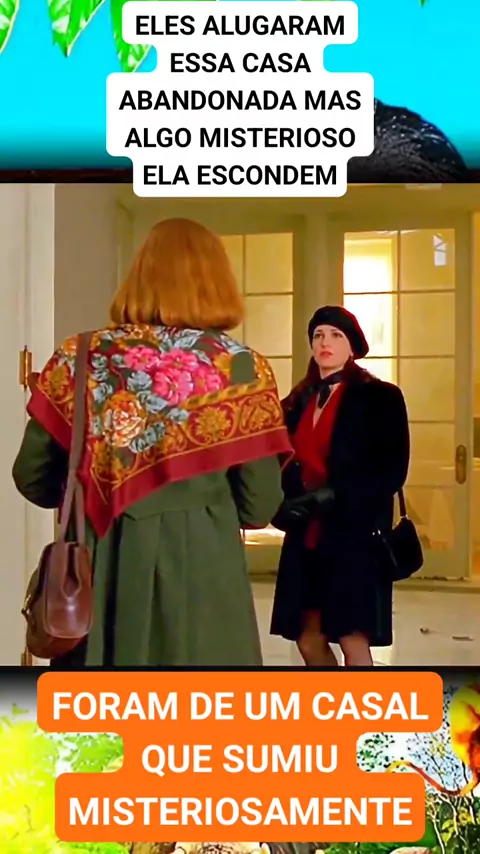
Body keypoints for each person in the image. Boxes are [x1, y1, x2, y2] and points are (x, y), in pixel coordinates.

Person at [13, 218, 291, 668]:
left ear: (138, 277)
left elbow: (31, 476)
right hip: (203, 569)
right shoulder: (242, 368)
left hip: (98, 565)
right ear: (218, 282)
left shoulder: (79, 357)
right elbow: (260, 504)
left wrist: (92, 489)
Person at [270, 305, 410, 667]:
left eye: (335, 335)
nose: (324, 342)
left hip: (354, 535)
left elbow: (392, 469)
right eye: (318, 335)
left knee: (352, 639)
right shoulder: (297, 401)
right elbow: (277, 460)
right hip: (306, 534)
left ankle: (362, 704)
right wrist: (283, 505)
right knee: (307, 640)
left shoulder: (381, 397)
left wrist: (336, 495)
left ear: (352, 347)